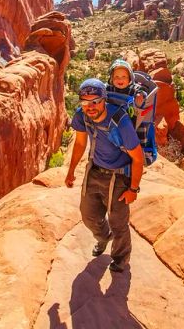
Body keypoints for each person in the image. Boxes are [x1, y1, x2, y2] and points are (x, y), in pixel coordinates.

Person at [64, 78, 144, 273]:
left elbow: (138, 158)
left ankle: (120, 259)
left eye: (95, 102)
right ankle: (103, 238)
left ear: (104, 100)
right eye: (85, 102)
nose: (90, 107)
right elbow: (81, 143)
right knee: (88, 216)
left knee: (119, 222)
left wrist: (133, 189)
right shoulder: (82, 116)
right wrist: (71, 170)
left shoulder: (120, 121)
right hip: (95, 171)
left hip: (118, 178)